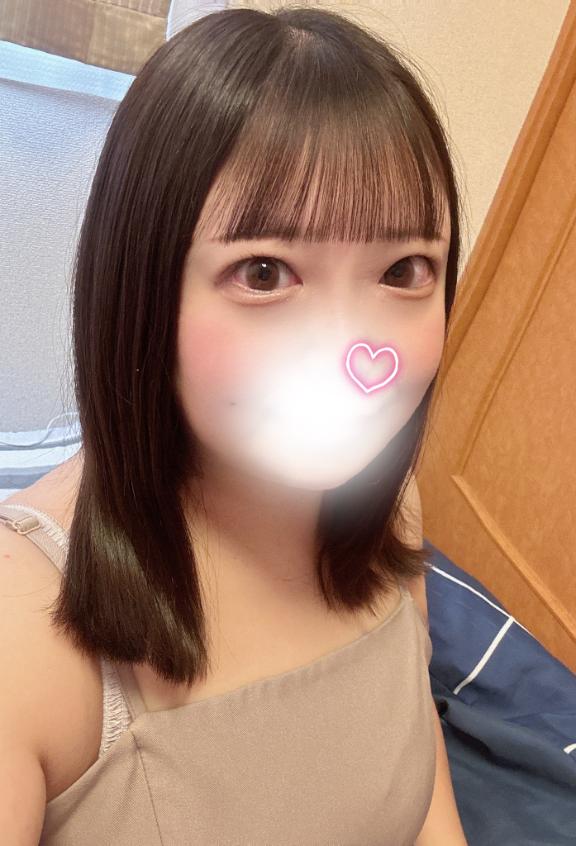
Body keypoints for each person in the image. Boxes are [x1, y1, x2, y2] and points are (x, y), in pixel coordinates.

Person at [0, 5, 468, 843]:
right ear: (142, 288)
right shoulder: (22, 630)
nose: (350, 352)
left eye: (404, 269)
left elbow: (421, 773)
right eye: (263, 272)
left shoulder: (391, 509)